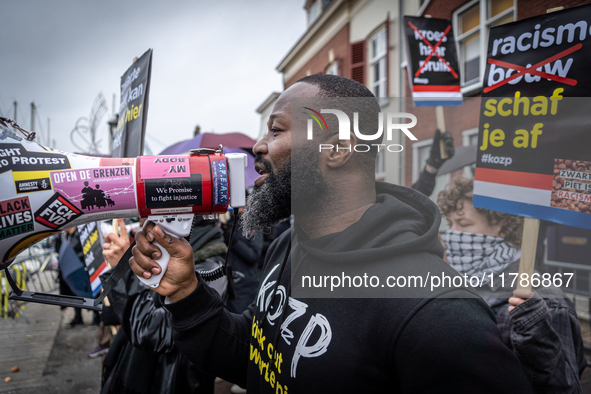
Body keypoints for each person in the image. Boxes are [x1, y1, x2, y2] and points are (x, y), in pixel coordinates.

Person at [129, 74, 532, 393]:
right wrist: (185, 294)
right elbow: (256, 358)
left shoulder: (433, 311)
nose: (258, 146)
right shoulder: (289, 244)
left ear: (337, 149)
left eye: (276, 130)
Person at [438, 176, 586, 393]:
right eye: (450, 224)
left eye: (464, 224)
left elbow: (565, 388)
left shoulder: (546, 301)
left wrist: (536, 330)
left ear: (504, 226)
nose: (452, 234)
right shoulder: (464, 284)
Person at [100, 217, 226, 394]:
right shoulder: (162, 251)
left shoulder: (210, 265)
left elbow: (152, 332)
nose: (143, 221)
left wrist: (123, 271)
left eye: (151, 214)